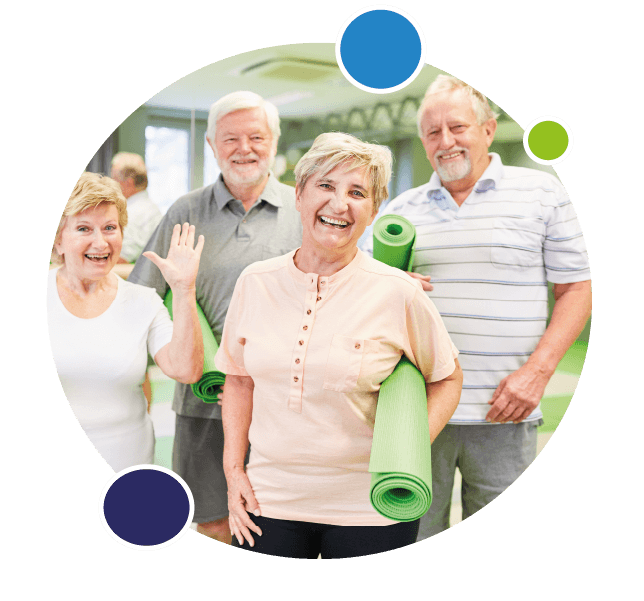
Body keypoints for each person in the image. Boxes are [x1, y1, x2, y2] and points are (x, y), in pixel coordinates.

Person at [361, 75, 592, 539]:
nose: (445, 142)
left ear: (488, 129)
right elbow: (356, 293)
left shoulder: (543, 194)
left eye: (457, 127)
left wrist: (538, 374)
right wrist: (383, 284)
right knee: (410, 540)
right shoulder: (399, 212)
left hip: (505, 409)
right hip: (417, 410)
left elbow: (577, 289)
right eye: (432, 133)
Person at [215, 132, 463, 559]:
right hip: (269, 496)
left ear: (374, 209)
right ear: (299, 193)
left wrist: (406, 449)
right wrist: (233, 470)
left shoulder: (398, 292)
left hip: (370, 505)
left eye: (357, 192)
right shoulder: (255, 282)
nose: (339, 204)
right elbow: (238, 381)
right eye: (326, 186)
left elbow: (447, 377)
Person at [128, 91, 302, 543]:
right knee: (209, 523)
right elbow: (145, 295)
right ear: (211, 145)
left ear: (275, 141)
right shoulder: (186, 212)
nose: (244, 148)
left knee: (274, 526)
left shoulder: (304, 210)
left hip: (282, 404)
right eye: (231, 139)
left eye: (256, 137)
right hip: (201, 403)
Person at [47, 172, 205, 472]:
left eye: (110, 228)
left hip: (127, 468)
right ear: (58, 241)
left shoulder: (143, 301)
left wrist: (184, 289)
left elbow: (185, 370)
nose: (100, 242)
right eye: (84, 228)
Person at [110, 152, 162, 263]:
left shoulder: (136, 213)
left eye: (114, 178)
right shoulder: (147, 208)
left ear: (128, 183)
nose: (110, 183)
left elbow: (121, 258)